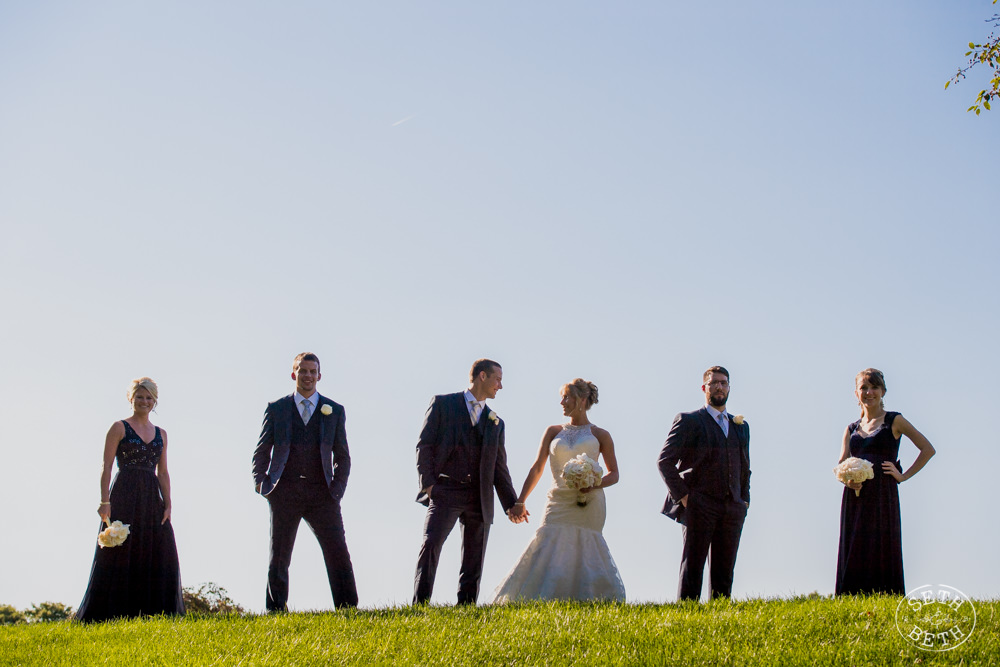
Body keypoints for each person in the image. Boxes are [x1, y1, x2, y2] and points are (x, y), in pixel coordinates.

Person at [490, 379, 626, 602]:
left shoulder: (601, 435)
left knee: (585, 548)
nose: (561, 402)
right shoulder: (553, 431)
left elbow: (614, 474)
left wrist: (592, 483)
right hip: (557, 501)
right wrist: (520, 501)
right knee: (548, 544)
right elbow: (537, 468)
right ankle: (540, 598)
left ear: (581, 400)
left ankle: (588, 599)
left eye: (566, 397)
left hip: (588, 502)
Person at [252, 352, 358, 611]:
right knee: (279, 555)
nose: (308, 376)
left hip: (322, 493)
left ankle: (348, 607)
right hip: (284, 491)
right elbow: (262, 449)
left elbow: (342, 457)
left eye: (312, 371)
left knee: (337, 550)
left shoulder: (334, 411)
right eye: (303, 371)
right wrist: (261, 483)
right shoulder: (276, 408)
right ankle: (276, 609)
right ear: (294, 374)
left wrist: (337, 490)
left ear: (319, 376)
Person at [413, 359, 524, 605]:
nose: (501, 386)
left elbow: (499, 468)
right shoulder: (443, 404)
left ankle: (466, 608)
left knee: (474, 559)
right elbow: (424, 445)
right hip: (446, 490)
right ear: (482, 376)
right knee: (431, 545)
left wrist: (511, 504)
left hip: (479, 496)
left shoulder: (496, 422)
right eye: (498, 379)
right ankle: (419, 605)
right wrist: (429, 485)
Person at [76, 377, 184, 622]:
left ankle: (153, 613)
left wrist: (168, 504)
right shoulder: (118, 428)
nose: (144, 401)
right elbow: (106, 466)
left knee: (159, 547)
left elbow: (163, 472)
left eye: (148, 398)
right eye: (139, 397)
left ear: (154, 401)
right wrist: (105, 502)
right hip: (124, 493)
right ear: (131, 398)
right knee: (121, 548)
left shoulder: (162, 434)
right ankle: (110, 613)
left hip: (151, 497)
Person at [835, 368, 935, 595]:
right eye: (864, 388)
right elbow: (840, 464)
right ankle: (851, 596)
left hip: (883, 495)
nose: (869, 392)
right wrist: (848, 481)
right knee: (856, 542)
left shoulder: (894, 421)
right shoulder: (851, 429)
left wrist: (903, 475)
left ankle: (886, 594)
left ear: (883, 391)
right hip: (856, 497)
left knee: (881, 542)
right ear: (856, 393)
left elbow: (927, 449)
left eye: (874, 387)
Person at [658, 366, 750, 601]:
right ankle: (687, 615)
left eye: (723, 383)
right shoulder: (689, 421)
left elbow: (745, 467)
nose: (719, 387)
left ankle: (720, 616)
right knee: (693, 566)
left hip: (732, 507)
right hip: (699, 504)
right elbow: (664, 461)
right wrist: (685, 497)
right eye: (714, 383)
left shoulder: (741, 426)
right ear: (704, 388)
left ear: (729, 387)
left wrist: (744, 500)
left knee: (725, 570)